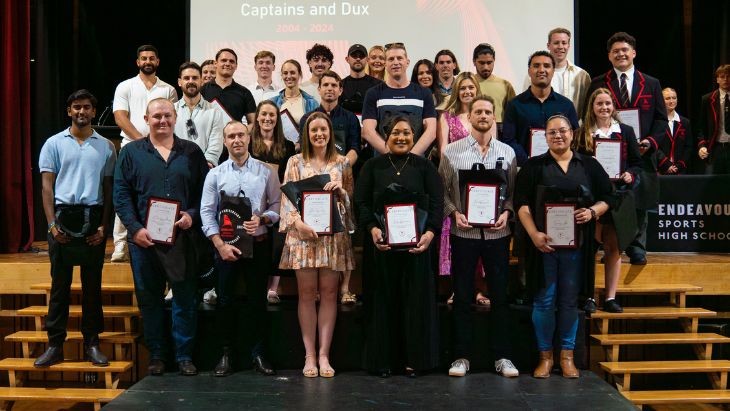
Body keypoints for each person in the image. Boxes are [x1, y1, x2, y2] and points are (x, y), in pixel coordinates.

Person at [114, 98, 209, 376]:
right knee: (149, 299)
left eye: (167, 115)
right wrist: (135, 228)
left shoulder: (192, 152)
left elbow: (205, 193)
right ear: (146, 119)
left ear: (175, 117)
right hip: (143, 241)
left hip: (181, 238)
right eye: (156, 116)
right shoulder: (131, 153)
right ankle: (157, 355)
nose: (162, 121)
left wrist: (192, 215)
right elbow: (121, 195)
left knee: (184, 298)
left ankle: (183, 356)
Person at [515, 115, 612, 379]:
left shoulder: (589, 165)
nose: (558, 136)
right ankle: (545, 357)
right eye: (552, 132)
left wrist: (592, 212)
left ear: (572, 134)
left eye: (563, 131)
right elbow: (521, 204)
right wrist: (534, 234)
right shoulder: (534, 166)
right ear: (544, 137)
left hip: (577, 248)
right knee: (544, 301)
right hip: (543, 247)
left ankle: (567, 356)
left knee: (569, 301)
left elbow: (608, 198)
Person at [355, 115, 442, 377]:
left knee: (416, 305)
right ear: (386, 136)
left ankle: (415, 361)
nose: (401, 137)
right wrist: (371, 228)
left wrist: (430, 233)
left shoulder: (425, 168)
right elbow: (361, 203)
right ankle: (383, 361)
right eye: (395, 133)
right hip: (381, 249)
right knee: (383, 305)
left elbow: (438, 204)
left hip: (418, 251)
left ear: (414, 136)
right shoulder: (372, 166)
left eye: (406, 133)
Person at [35, 89, 116, 368]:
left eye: (86, 107)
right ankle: (55, 344)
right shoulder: (54, 143)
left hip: (92, 218)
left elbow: (108, 188)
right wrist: (52, 225)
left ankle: (92, 344)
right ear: (69, 111)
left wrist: (104, 226)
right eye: (76, 107)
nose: (82, 111)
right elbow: (47, 186)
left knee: (92, 288)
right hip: (62, 218)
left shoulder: (106, 146)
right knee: (60, 288)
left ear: (94, 112)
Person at [439, 97, 519, 378]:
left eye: (488, 111)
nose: (483, 115)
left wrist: (507, 213)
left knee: (499, 295)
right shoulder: (451, 151)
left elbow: (512, 193)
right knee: (462, 296)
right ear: (469, 117)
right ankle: (461, 356)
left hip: (498, 233)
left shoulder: (507, 152)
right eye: (478, 112)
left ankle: (503, 357)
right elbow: (442, 191)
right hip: (464, 232)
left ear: (494, 116)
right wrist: (453, 213)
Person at [200, 121, 281, 377]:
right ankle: (225, 353)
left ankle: (258, 353)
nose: (236, 140)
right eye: (231, 136)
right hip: (226, 249)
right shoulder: (215, 174)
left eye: (241, 135)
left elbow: (278, 206)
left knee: (257, 301)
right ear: (225, 141)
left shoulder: (266, 171)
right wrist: (219, 245)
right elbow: (206, 212)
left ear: (249, 138)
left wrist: (263, 219)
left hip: (257, 245)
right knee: (225, 302)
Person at [279, 112, 355, 378]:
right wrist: (297, 224)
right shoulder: (294, 162)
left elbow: (350, 204)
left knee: (330, 295)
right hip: (304, 237)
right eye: (314, 130)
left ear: (330, 132)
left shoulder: (343, 163)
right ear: (306, 135)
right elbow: (287, 199)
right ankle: (309, 354)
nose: (319, 134)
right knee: (307, 295)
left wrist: (341, 193)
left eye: (323, 129)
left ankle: (324, 354)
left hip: (333, 238)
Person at [586, 32, 667, 265]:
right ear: (609, 56)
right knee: (608, 198)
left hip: (642, 151)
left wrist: (651, 142)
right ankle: (611, 248)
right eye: (615, 51)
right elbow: (588, 114)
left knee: (640, 197)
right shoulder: (599, 83)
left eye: (625, 50)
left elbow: (661, 120)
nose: (620, 54)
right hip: (606, 153)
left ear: (633, 53)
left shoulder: (651, 83)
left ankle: (637, 246)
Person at [573, 88, 642, 313]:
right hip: (592, 198)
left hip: (618, 196)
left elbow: (637, 163)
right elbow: (575, 163)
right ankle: (589, 296)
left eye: (607, 104)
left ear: (614, 107)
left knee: (613, 248)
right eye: (599, 104)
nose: (604, 108)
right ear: (592, 107)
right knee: (590, 248)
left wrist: (630, 174)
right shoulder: (582, 132)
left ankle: (611, 297)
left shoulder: (626, 131)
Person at [111, 44, 178, 262]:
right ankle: (120, 245)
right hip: (131, 148)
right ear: (137, 62)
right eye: (143, 58)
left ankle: (160, 237)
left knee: (159, 195)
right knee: (126, 194)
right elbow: (120, 116)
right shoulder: (125, 86)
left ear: (157, 62)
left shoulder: (168, 89)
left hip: (162, 149)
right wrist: (143, 142)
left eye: (151, 58)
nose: (147, 61)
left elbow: (171, 119)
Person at [301, 70, 361, 305]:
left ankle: (345, 287)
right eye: (325, 84)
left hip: (340, 177)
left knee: (343, 230)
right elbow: (303, 147)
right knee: (317, 230)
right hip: (313, 180)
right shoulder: (307, 117)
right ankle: (317, 289)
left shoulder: (349, 118)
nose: (329, 89)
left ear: (340, 89)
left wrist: (341, 165)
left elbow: (356, 147)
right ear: (319, 89)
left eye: (334, 85)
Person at [437, 72, 490, 305]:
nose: (467, 91)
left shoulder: (483, 114)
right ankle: (457, 289)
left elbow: (491, 148)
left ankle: (479, 289)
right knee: (456, 241)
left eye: (471, 87)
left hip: (480, 187)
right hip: (456, 185)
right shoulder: (447, 117)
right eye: (463, 88)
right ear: (456, 90)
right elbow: (443, 152)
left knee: (479, 238)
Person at [250, 100, 296, 305]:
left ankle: (273, 288)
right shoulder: (249, 143)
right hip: (254, 199)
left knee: (278, 241)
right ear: (257, 117)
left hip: (279, 198)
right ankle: (257, 283)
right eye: (264, 114)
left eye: (272, 115)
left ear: (277, 120)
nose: (268, 118)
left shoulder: (286, 145)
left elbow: (290, 174)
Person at [502, 50, 579, 166]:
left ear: (553, 71)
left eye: (547, 66)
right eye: (536, 66)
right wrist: (528, 161)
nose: (541, 70)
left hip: (559, 168)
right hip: (524, 168)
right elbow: (509, 140)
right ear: (529, 71)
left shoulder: (566, 105)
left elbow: (574, 139)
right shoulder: (515, 105)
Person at [362, 43, 437, 157]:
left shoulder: (424, 93)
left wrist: (411, 156)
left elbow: (431, 131)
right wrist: (390, 154)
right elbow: (368, 131)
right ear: (385, 64)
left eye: (399, 58)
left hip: (415, 163)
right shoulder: (373, 93)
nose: (395, 62)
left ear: (407, 62)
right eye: (391, 59)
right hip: (384, 163)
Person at [521, 28, 591, 116]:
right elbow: (526, 103)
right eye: (556, 43)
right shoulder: (534, 75)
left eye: (564, 43)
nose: (560, 46)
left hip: (573, 128)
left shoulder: (582, 75)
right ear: (548, 45)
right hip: (541, 127)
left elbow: (588, 108)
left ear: (569, 46)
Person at [174, 61, 225, 168]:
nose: (191, 81)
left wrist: (206, 164)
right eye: (186, 78)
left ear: (201, 81)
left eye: (195, 78)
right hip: (176, 167)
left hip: (205, 168)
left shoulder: (215, 112)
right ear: (179, 82)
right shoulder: (171, 111)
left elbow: (216, 142)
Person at [200, 48, 256, 124]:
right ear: (215, 64)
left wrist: (241, 132)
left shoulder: (245, 92)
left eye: (231, 61)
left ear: (236, 66)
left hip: (235, 136)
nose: (227, 64)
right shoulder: (202, 90)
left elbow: (253, 124)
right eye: (224, 60)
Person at [271, 59, 319, 142]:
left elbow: (317, 129)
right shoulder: (272, 102)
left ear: (299, 74)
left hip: (303, 150)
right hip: (278, 149)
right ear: (282, 76)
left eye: (292, 72)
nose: (289, 76)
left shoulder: (311, 103)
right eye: (285, 73)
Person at [472, 43, 516, 133]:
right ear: (474, 61)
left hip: (500, 128)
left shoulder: (505, 85)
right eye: (481, 63)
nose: (486, 67)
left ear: (494, 61)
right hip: (472, 126)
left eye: (489, 63)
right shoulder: (468, 84)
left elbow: (513, 113)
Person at [697, 64, 730, 174]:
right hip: (716, 148)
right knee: (714, 185)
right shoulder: (707, 99)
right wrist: (702, 146)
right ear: (717, 79)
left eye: (728, 76)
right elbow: (702, 127)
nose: (725, 79)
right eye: (722, 76)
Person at [340, 44, 383, 115]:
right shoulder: (340, 85)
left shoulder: (379, 85)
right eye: (354, 55)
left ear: (367, 60)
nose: (358, 59)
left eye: (361, 56)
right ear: (347, 59)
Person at [659, 87, 693, 174]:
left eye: (674, 98)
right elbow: (655, 147)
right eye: (667, 98)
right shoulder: (657, 122)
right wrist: (666, 164)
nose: (671, 101)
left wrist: (679, 165)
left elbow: (688, 147)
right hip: (660, 169)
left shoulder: (685, 122)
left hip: (680, 170)